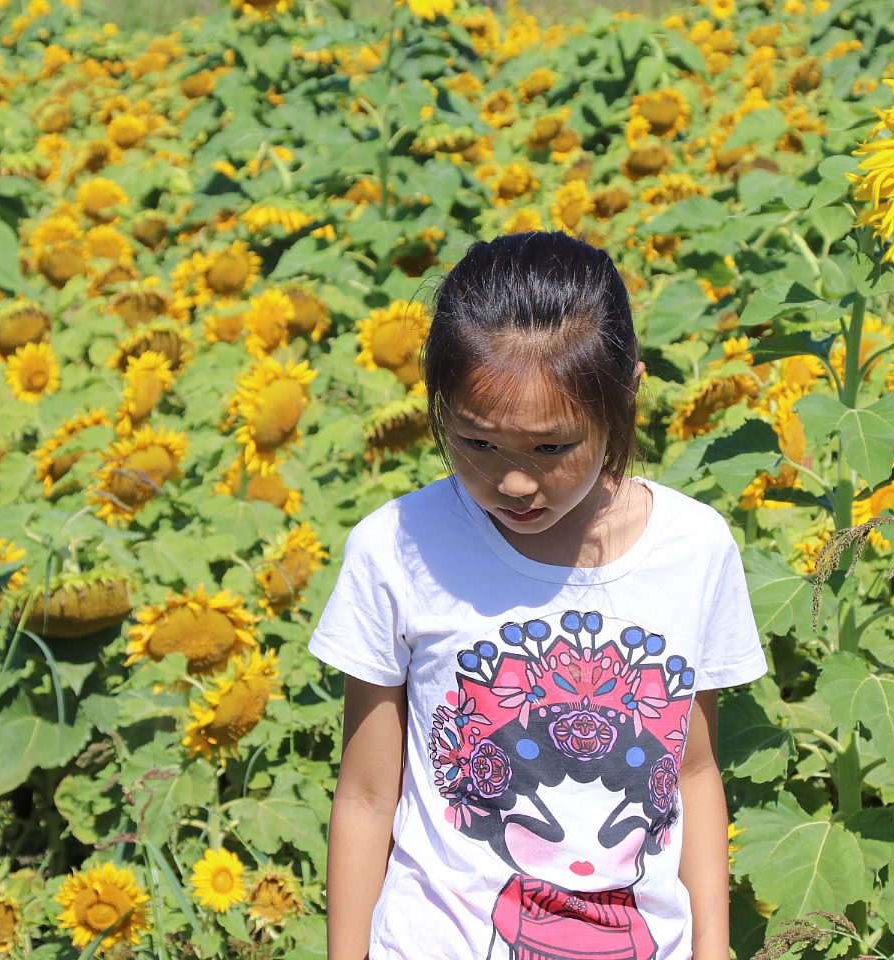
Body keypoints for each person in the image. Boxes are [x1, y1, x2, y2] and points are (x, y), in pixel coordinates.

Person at [310, 231, 768, 960]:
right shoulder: (397, 546)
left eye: (552, 448)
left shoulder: (693, 549)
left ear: (626, 397)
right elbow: (366, 797)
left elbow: (692, 772)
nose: (514, 482)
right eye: (477, 443)